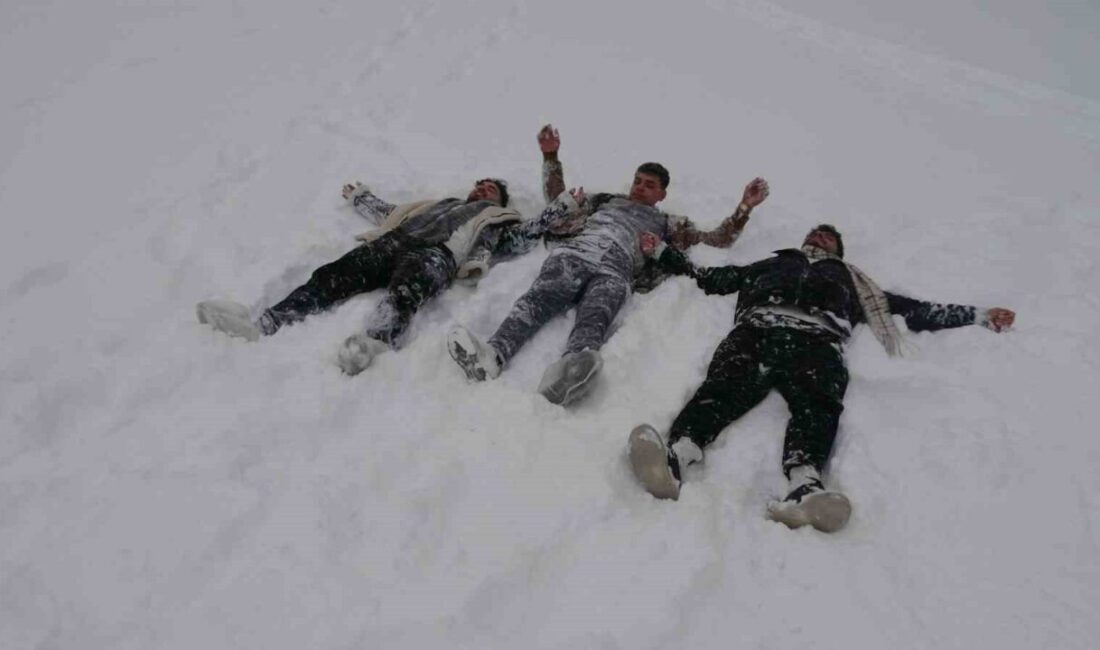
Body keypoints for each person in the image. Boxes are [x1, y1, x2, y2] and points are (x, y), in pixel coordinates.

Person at [627, 224, 1015, 532]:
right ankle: (677, 456)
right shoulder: (772, 263)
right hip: (758, 328)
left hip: (818, 340)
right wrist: (664, 254)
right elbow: (712, 277)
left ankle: (805, 484)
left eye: (827, 236)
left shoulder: (853, 282)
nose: (818, 236)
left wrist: (978, 315)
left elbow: (915, 310)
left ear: (838, 250)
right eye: (815, 233)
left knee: (817, 403)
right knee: (723, 385)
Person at [446, 124, 770, 406]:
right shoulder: (604, 201)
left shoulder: (669, 222)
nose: (640, 186)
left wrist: (744, 208)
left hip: (617, 269)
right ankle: (492, 355)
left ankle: (569, 372)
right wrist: (550, 157)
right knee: (536, 301)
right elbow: (559, 198)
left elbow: (717, 239)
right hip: (575, 255)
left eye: (649, 184)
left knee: (596, 317)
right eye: (638, 180)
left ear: (662, 194)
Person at [196, 178, 525, 375]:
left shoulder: (496, 219)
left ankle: (375, 343)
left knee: (405, 293)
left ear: (499, 201)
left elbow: (522, 238)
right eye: (480, 184)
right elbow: (394, 213)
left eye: (491, 189)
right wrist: (362, 198)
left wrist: (558, 218)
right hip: (393, 241)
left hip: (436, 254)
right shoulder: (441, 203)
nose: (482, 188)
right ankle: (267, 322)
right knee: (331, 276)